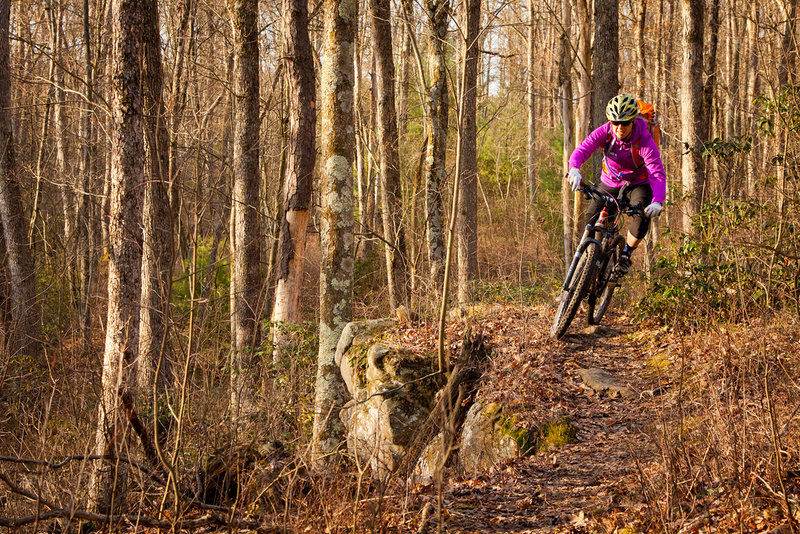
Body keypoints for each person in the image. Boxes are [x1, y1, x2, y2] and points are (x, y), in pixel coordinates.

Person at [566, 93, 665, 276]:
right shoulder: (606, 131)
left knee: (642, 216)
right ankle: (583, 270)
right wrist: (574, 168)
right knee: (591, 219)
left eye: (625, 122)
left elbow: (656, 172)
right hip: (610, 181)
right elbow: (583, 149)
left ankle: (626, 254)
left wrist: (657, 201)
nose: (619, 127)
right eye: (615, 122)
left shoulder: (643, 138)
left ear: (633, 121)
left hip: (638, 182)